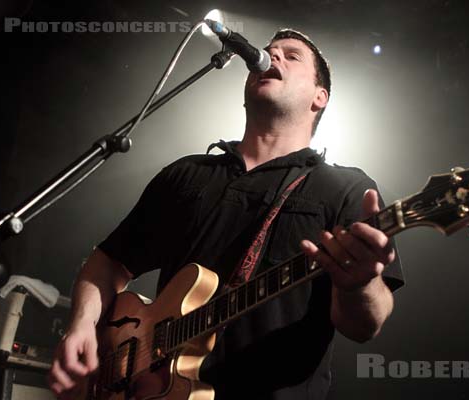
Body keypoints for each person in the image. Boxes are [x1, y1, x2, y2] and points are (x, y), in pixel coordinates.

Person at [48, 29, 404, 399]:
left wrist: (359, 284)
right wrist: (82, 327)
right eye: (267, 51)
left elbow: (364, 326)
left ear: (320, 97)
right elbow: (108, 263)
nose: (271, 56)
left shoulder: (346, 188)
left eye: (291, 55)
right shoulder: (188, 174)